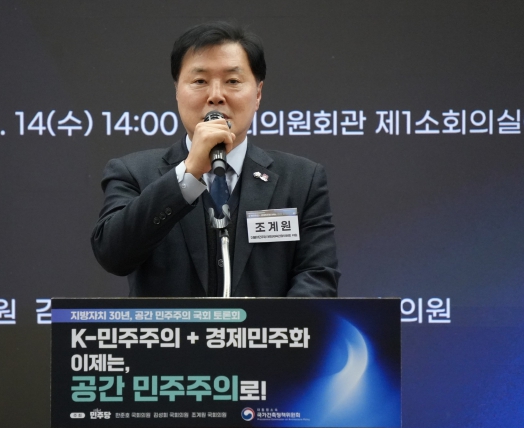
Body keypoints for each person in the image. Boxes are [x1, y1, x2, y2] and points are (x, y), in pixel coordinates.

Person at [91, 21, 339, 297]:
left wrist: (269, 323)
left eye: (233, 81)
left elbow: (317, 277)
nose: (216, 96)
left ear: (257, 94)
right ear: (177, 91)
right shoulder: (133, 173)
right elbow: (112, 255)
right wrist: (189, 173)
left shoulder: (302, 180)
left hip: (266, 327)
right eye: (200, 81)